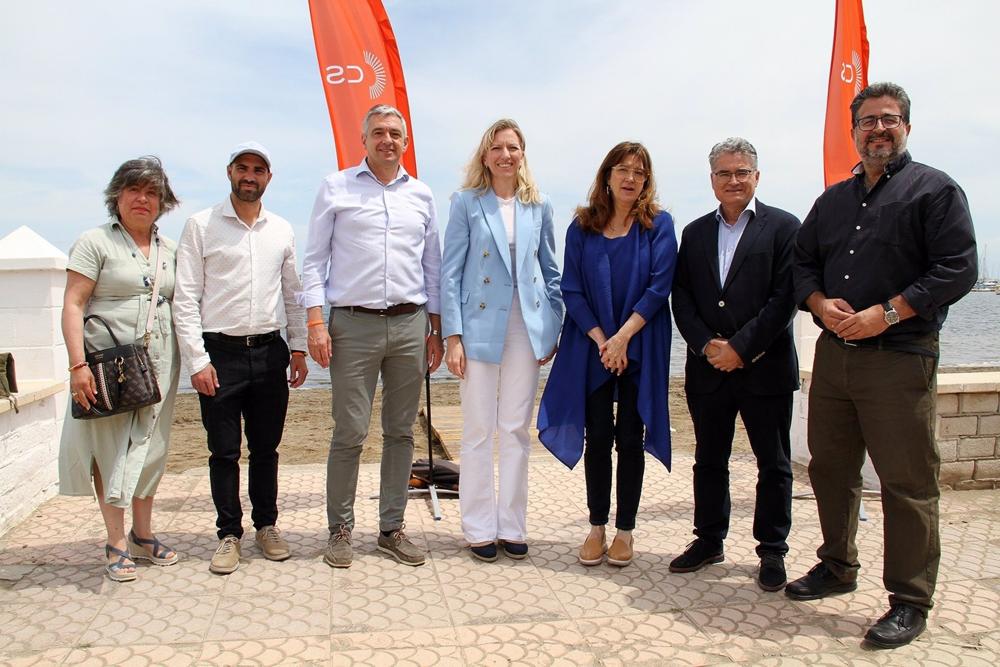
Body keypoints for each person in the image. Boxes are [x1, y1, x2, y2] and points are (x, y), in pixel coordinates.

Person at [789, 82, 977, 648]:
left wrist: (888, 313)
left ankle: (910, 600)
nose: (877, 130)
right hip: (835, 359)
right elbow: (801, 267)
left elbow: (958, 269)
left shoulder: (935, 191)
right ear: (854, 131)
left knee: (905, 483)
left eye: (888, 120)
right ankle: (838, 567)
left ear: (907, 127)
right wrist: (819, 305)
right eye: (867, 122)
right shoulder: (832, 202)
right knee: (830, 469)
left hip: (898, 359)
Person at [300, 104, 443, 568]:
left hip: (409, 324)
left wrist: (436, 329)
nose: (387, 140)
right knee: (350, 432)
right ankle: (339, 529)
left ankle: (391, 527)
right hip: (351, 326)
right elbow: (313, 261)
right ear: (364, 140)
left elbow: (433, 268)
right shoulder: (335, 187)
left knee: (401, 432)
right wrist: (315, 322)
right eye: (378, 132)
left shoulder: (421, 196)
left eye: (395, 134)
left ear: (406, 143)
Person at [669, 138, 800, 591]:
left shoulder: (784, 227)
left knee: (774, 463)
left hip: (765, 367)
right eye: (724, 173)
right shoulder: (694, 233)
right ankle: (708, 540)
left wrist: (740, 347)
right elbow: (681, 297)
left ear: (757, 176)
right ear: (711, 181)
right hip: (707, 370)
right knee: (709, 459)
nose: (733, 180)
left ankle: (772, 551)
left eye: (742, 172)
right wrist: (707, 345)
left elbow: (786, 298)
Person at [538, 141, 676, 567]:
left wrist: (623, 339)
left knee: (629, 439)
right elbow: (572, 290)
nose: (631, 178)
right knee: (597, 436)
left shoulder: (660, 224)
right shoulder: (581, 227)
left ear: (647, 180)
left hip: (641, 344)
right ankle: (596, 526)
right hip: (592, 346)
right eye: (623, 170)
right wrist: (603, 341)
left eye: (639, 172)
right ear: (607, 176)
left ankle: (625, 532)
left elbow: (660, 286)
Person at [173, 142, 309, 575]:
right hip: (221, 354)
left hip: (270, 353)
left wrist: (300, 346)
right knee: (223, 451)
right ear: (230, 172)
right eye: (242, 168)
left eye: (259, 169)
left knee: (266, 449)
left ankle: (266, 526)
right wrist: (197, 360)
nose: (250, 176)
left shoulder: (282, 229)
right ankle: (229, 534)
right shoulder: (200, 225)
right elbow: (185, 298)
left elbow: (293, 293)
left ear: (269, 177)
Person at [440, 119, 563, 562]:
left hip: (525, 328)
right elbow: (450, 272)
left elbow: (551, 273)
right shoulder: (466, 203)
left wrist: (553, 326)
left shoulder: (540, 205)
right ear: (485, 155)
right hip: (477, 326)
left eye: (513, 147)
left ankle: (512, 525)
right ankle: (477, 527)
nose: (505, 155)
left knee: (514, 428)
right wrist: (451, 335)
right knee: (477, 429)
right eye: (497, 147)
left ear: (522, 153)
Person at [59, 156, 181, 582]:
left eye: (152, 192)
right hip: (108, 362)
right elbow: (73, 304)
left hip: (159, 363)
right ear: (117, 195)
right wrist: (78, 366)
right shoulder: (95, 242)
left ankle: (142, 536)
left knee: (150, 448)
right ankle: (114, 541)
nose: (143, 199)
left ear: (163, 201)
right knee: (111, 450)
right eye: (134, 190)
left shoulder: (170, 249)